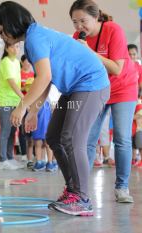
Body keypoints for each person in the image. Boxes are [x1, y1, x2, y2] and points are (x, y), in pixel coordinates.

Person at [0, 1, 110, 216]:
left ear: (11, 24)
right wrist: (34, 111)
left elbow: (45, 77)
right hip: (74, 88)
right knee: (54, 137)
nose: (2, 36)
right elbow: (43, 79)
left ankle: (82, 198)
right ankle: (74, 190)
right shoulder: (33, 38)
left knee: (72, 138)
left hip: (91, 84)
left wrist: (22, 107)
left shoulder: (36, 38)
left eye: (1, 31)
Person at [70, 0, 138, 203]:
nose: (79, 27)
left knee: (122, 137)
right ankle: (80, 189)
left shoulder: (113, 30)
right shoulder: (77, 38)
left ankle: (122, 188)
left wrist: (88, 52)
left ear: (96, 16)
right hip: (97, 89)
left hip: (123, 87)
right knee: (88, 139)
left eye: (83, 21)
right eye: (75, 22)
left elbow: (116, 69)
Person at [0, 43, 24, 170]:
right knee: (5, 130)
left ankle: (10, 157)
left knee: (13, 131)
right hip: (4, 102)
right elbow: (11, 82)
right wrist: (24, 97)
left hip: (14, 101)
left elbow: (17, 82)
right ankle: (2, 160)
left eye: (17, 46)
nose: (15, 49)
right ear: (7, 48)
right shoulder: (5, 62)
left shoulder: (17, 62)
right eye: (12, 46)